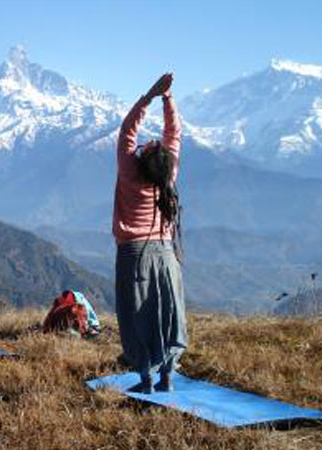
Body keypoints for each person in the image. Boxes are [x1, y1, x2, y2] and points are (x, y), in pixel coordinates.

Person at [113, 73, 187, 394]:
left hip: (134, 255)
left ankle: (146, 380)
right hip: (166, 254)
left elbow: (127, 132)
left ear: (142, 157)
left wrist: (149, 97)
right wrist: (168, 99)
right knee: (167, 313)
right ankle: (167, 376)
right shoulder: (167, 176)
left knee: (138, 316)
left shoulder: (130, 172)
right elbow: (175, 133)